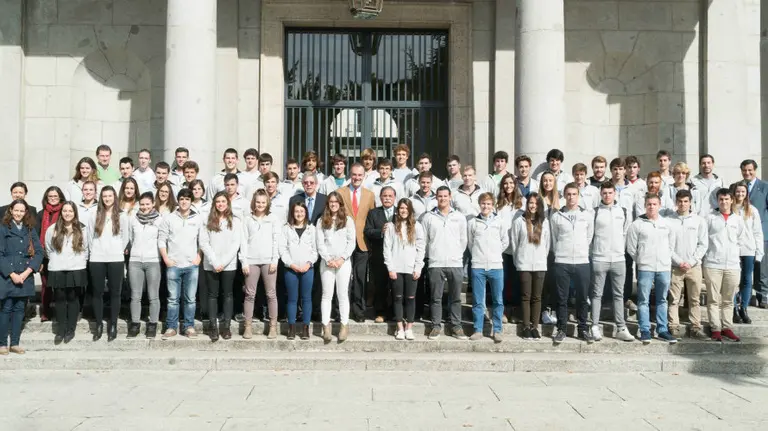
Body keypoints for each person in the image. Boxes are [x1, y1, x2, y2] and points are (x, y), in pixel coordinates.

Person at [626, 193, 679, 344]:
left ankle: (662, 329)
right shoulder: (637, 224)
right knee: (643, 300)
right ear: (645, 205)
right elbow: (631, 247)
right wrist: (641, 260)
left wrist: (665, 258)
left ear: (659, 205)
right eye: (649, 204)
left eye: (654, 204)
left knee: (662, 299)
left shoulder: (667, 224)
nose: (651, 207)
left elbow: (671, 245)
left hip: (663, 268)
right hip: (645, 268)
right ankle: (644, 329)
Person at [703, 189, 752, 342]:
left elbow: (741, 240)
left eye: (726, 199)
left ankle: (726, 327)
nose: (724, 202)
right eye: (721, 199)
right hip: (713, 263)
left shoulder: (737, 220)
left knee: (728, 299)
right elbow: (704, 239)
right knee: (713, 299)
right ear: (717, 201)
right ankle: (715, 329)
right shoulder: (710, 218)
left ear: (732, 200)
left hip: (732, 265)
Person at [421, 186, 468, 340]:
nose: (442, 199)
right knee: (436, 297)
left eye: (445, 196)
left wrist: (456, 254)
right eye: (439, 196)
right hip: (436, 262)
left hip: (455, 262)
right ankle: (435, 326)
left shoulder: (459, 217)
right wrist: (432, 255)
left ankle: (456, 325)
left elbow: (463, 240)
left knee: (455, 297)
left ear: (450, 197)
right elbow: (424, 241)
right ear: (436, 198)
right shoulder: (428, 217)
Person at [589, 182, 634, 342]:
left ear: (615, 193)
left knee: (618, 294)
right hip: (599, 258)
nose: (607, 195)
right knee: (596, 294)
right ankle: (594, 325)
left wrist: (622, 252)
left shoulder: (623, 211)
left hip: (618, 259)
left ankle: (621, 327)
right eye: (605, 193)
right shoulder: (594, 212)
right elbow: (590, 236)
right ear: (601, 194)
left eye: (610, 192)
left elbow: (626, 234)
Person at [550, 183, 594, 344]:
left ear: (578, 195)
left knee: (583, 298)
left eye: (574, 194)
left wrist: (582, 251)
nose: (571, 197)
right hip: (562, 261)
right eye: (568, 194)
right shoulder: (557, 216)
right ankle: (562, 328)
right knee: (562, 298)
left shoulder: (587, 215)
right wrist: (561, 252)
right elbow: (554, 239)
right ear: (564, 196)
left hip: (582, 261)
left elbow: (589, 236)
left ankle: (583, 329)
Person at [158, 188, 203, 339]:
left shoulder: (197, 219)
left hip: (191, 265)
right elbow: (161, 239)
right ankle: (171, 327)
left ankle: (189, 326)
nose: (184, 202)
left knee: (190, 299)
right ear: (178, 200)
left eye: (187, 199)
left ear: (191, 201)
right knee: (172, 299)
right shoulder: (169, 218)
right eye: (182, 199)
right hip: (174, 264)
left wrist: (199, 256)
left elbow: (202, 240)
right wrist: (166, 259)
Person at [199, 191, 244, 342]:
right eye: (218, 201)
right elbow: (204, 242)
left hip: (229, 264)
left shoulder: (235, 221)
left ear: (228, 203)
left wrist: (223, 263)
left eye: (223, 201)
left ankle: (226, 327)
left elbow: (235, 244)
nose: (220, 204)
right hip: (211, 264)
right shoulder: (207, 220)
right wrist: (214, 261)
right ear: (214, 204)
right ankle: (213, 327)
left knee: (228, 295)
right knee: (212, 295)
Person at [0, 200, 43, 353]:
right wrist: (12, 274)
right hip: (8, 276)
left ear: (26, 212)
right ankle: (2, 343)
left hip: (25, 275)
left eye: (21, 211)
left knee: (19, 309)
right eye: (16, 210)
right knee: (6, 308)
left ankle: (15, 343)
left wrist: (26, 272)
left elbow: (39, 252)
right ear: (11, 210)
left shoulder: (30, 229)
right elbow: (0, 254)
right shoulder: (3, 228)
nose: (18, 213)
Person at [87, 186, 129, 342]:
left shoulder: (122, 216)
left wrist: (117, 249)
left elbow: (126, 237)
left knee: (115, 292)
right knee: (97, 292)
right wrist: (95, 252)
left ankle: (113, 324)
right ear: (101, 198)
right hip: (97, 258)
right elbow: (90, 236)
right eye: (104, 196)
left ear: (114, 197)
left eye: (110, 196)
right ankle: (98, 324)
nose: (107, 198)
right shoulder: (94, 214)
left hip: (115, 258)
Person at [467, 192, 509, 343]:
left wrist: (495, 253)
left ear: (493, 205)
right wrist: (478, 256)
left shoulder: (499, 221)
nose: (486, 206)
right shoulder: (473, 222)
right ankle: (478, 329)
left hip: (496, 266)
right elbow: (471, 243)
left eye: (489, 204)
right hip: (478, 266)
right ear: (480, 205)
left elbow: (505, 241)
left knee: (498, 300)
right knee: (478, 300)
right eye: (483, 203)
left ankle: (497, 330)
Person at [316, 191, 356, 343]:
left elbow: (351, 242)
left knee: (342, 294)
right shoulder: (321, 221)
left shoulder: (348, 221)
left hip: (343, 263)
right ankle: (326, 326)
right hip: (327, 263)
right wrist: (327, 259)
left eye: (336, 202)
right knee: (327, 295)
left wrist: (341, 259)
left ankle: (344, 325)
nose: (333, 204)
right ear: (328, 204)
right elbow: (319, 243)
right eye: (331, 201)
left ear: (340, 204)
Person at [338, 164, 376, 322]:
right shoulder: (340, 193)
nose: (357, 178)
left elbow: (371, 218)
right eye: (354, 175)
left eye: (360, 175)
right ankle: (341, 310)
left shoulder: (370, 195)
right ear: (350, 175)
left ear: (364, 176)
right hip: (343, 243)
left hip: (362, 243)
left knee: (360, 278)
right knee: (344, 278)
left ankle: (359, 311)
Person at [45, 202, 87, 345]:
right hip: (57, 268)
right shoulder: (52, 229)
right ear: (61, 212)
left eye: (70, 211)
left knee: (73, 299)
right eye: (65, 211)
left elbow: (86, 248)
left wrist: (80, 262)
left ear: (75, 213)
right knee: (60, 299)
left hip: (76, 268)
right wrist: (58, 260)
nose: (67, 213)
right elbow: (49, 249)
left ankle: (71, 329)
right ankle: (61, 329)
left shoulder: (82, 229)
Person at [383, 199, 426, 340]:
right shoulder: (391, 226)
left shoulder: (417, 226)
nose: (403, 211)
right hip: (396, 268)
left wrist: (418, 267)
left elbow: (421, 248)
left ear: (410, 210)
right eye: (401, 208)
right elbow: (387, 248)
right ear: (398, 210)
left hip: (411, 268)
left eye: (406, 208)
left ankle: (409, 328)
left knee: (410, 298)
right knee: (397, 298)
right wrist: (390, 267)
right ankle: (400, 327)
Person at [668, 189, 708, 339]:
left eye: (686, 201)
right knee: (674, 299)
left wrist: (691, 262)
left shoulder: (699, 221)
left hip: (694, 266)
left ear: (690, 202)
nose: (683, 204)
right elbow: (667, 246)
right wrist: (678, 261)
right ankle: (673, 326)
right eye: (680, 201)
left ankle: (696, 327)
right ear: (676, 202)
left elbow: (703, 244)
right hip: (675, 267)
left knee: (695, 299)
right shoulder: (669, 221)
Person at [241, 189, 280, 339]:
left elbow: (276, 240)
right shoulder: (247, 219)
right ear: (253, 202)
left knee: (271, 294)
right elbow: (243, 241)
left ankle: (272, 327)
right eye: (258, 202)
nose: (260, 205)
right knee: (250, 294)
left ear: (267, 203)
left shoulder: (273, 219)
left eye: (263, 202)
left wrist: (274, 260)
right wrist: (244, 261)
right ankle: (248, 326)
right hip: (251, 261)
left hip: (268, 261)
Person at [510, 193, 549, 340]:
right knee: (526, 296)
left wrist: (541, 258)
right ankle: (526, 326)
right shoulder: (519, 222)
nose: (533, 206)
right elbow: (514, 242)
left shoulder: (544, 222)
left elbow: (548, 243)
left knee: (537, 297)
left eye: (536, 203)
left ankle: (535, 327)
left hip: (539, 264)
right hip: (524, 263)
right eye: (531, 203)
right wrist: (518, 259)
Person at [126, 192, 163, 339]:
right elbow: (130, 237)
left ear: (153, 203)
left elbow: (161, 240)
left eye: (148, 204)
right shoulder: (133, 219)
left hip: (153, 260)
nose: (145, 207)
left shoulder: (160, 220)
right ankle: (135, 324)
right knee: (135, 295)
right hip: (135, 261)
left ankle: (152, 325)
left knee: (153, 295)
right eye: (142, 204)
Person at [280, 202, 317, 340]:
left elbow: (315, 250)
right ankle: (292, 328)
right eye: (296, 211)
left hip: (308, 269)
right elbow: (282, 250)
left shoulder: (311, 229)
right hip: (291, 269)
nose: (299, 214)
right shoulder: (286, 229)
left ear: (306, 213)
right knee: (292, 299)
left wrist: (308, 263)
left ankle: (305, 328)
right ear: (292, 213)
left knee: (306, 299)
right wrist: (291, 264)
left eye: (302, 211)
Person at [732, 181, 763, 324]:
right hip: (733, 250)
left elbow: (757, 232)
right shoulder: (730, 209)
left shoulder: (752, 210)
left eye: (743, 192)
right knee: (734, 281)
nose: (740, 194)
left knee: (747, 280)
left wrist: (759, 251)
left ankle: (743, 308)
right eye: (738, 191)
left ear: (746, 194)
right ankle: (733, 309)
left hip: (748, 249)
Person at [364, 187, 397, 323]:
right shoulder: (373, 213)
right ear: (380, 197)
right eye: (384, 196)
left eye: (390, 196)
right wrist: (381, 232)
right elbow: (368, 231)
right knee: (380, 285)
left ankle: (396, 313)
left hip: (397, 255)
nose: (387, 198)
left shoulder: (400, 211)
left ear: (395, 197)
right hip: (379, 255)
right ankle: (381, 312)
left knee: (396, 286)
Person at [497, 172, 525, 322]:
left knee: (517, 280)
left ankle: (516, 310)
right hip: (502, 248)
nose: (508, 186)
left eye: (511, 183)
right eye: (505, 183)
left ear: (515, 185)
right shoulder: (498, 204)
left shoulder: (523, 203)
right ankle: (504, 310)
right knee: (504, 280)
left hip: (519, 247)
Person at [741, 159, 768, 309]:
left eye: (750, 170)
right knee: (745, 267)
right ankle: (746, 294)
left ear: (755, 170)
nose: (747, 173)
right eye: (744, 170)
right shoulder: (739, 186)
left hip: (761, 233)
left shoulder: (765, 187)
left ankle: (762, 295)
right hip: (744, 234)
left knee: (761, 267)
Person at [36, 186, 65, 322]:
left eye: (55, 196)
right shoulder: (41, 214)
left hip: (61, 255)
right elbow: (36, 236)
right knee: (46, 285)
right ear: (46, 198)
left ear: (60, 197)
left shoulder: (65, 212)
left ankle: (61, 313)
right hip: (45, 255)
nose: (53, 199)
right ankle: (46, 312)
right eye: (50, 196)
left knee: (61, 286)